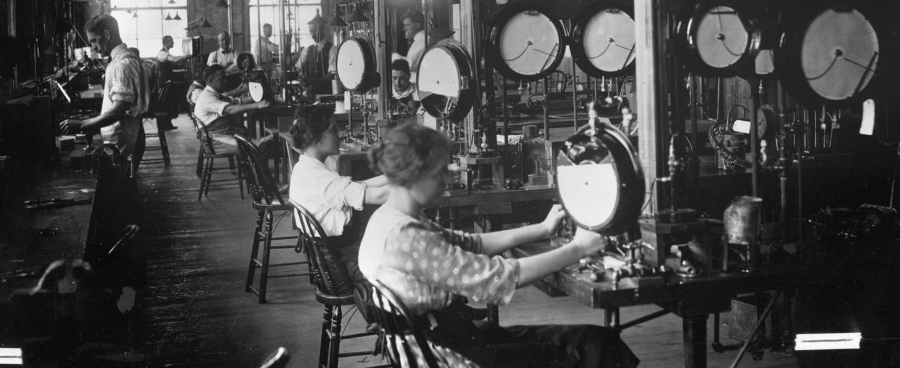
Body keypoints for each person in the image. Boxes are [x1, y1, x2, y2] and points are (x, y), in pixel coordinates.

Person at [360, 123, 639, 368]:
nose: (448, 179)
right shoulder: (408, 238)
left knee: (588, 340)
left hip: (430, 345)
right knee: (594, 346)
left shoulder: (388, 220)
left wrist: (541, 229)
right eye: (440, 172)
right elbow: (498, 279)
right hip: (448, 356)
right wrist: (578, 249)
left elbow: (470, 243)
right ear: (415, 174)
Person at [289, 104, 390, 321]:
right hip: (341, 263)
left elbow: (357, 186)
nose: (341, 134)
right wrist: (417, 179)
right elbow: (378, 196)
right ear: (315, 136)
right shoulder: (317, 177)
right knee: (405, 267)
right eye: (334, 130)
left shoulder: (306, 168)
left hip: (334, 255)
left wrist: (393, 176)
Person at [60, 14, 150, 175]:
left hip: (122, 143)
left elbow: (118, 111)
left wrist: (83, 124)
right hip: (121, 139)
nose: (93, 47)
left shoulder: (122, 65)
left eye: (94, 40)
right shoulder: (124, 59)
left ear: (107, 35)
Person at [193, 64, 269, 154]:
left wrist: (257, 96)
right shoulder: (207, 97)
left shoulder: (216, 94)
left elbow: (237, 102)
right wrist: (257, 105)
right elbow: (230, 109)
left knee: (259, 144)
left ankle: (250, 166)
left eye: (225, 78)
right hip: (214, 139)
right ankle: (254, 165)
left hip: (222, 133)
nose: (225, 81)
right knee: (258, 147)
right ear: (210, 80)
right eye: (222, 79)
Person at [295, 21, 335, 95]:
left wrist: (316, 81)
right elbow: (298, 67)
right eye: (311, 31)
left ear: (322, 30)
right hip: (310, 94)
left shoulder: (332, 49)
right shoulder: (306, 50)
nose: (312, 34)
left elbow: (333, 74)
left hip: (327, 93)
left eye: (315, 31)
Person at [398, 11, 425, 79]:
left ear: (417, 26)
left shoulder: (421, 41)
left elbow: (408, 65)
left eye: (407, 25)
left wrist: (393, 55)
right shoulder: (419, 40)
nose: (404, 29)